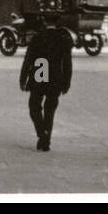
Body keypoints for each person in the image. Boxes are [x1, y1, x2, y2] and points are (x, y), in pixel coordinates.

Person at [19, 15, 73, 151]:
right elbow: (67, 64)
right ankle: (46, 137)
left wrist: (23, 78)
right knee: (50, 109)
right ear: (57, 23)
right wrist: (67, 82)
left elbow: (28, 59)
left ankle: (41, 133)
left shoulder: (37, 38)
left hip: (40, 71)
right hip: (55, 76)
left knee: (34, 106)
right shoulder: (63, 39)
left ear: (44, 22)